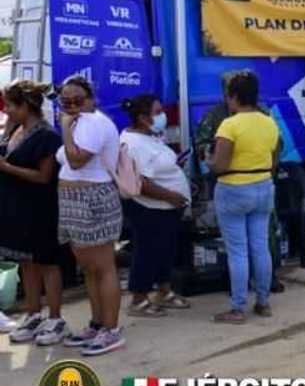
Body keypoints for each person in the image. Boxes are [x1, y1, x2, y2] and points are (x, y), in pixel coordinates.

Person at [196, 73, 284, 294]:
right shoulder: (267, 120)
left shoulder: (228, 124)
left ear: (233, 95)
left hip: (233, 188)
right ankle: (263, 300)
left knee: (237, 251)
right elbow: (275, 153)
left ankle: (238, 304)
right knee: (260, 246)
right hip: (262, 186)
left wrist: (211, 161)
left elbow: (219, 165)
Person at [55, 76, 125, 355]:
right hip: (73, 202)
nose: (71, 105)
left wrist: (65, 129)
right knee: (89, 268)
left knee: (103, 266)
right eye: (65, 100)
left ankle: (112, 329)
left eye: (77, 100)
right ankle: (97, 324)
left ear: (91, 99)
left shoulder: (94, 122)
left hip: (93, 200)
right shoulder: (79, 123)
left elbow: (75, 159)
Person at [0, 81, 67, 346]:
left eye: (11, 106)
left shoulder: (47, 136)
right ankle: (33, 313)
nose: (7, 112)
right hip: (16, 210)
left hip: (41, 209)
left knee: (47, 263)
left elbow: (44, 177)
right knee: (26, 263)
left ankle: (55, 317)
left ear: (26, 106)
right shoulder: (14, 129)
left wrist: (6, 168)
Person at [119, 95, 191, 318]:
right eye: (158, 112)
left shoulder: (150, 136)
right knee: (147, 252)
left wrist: (174, 166)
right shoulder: (134, 144)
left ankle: (164, 291)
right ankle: (139, 299)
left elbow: (156, 166)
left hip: (166, 208)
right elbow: (141, 182)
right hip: (151, 208)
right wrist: (171, 196)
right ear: (142, 118)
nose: (163, 116)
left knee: (165, 250)